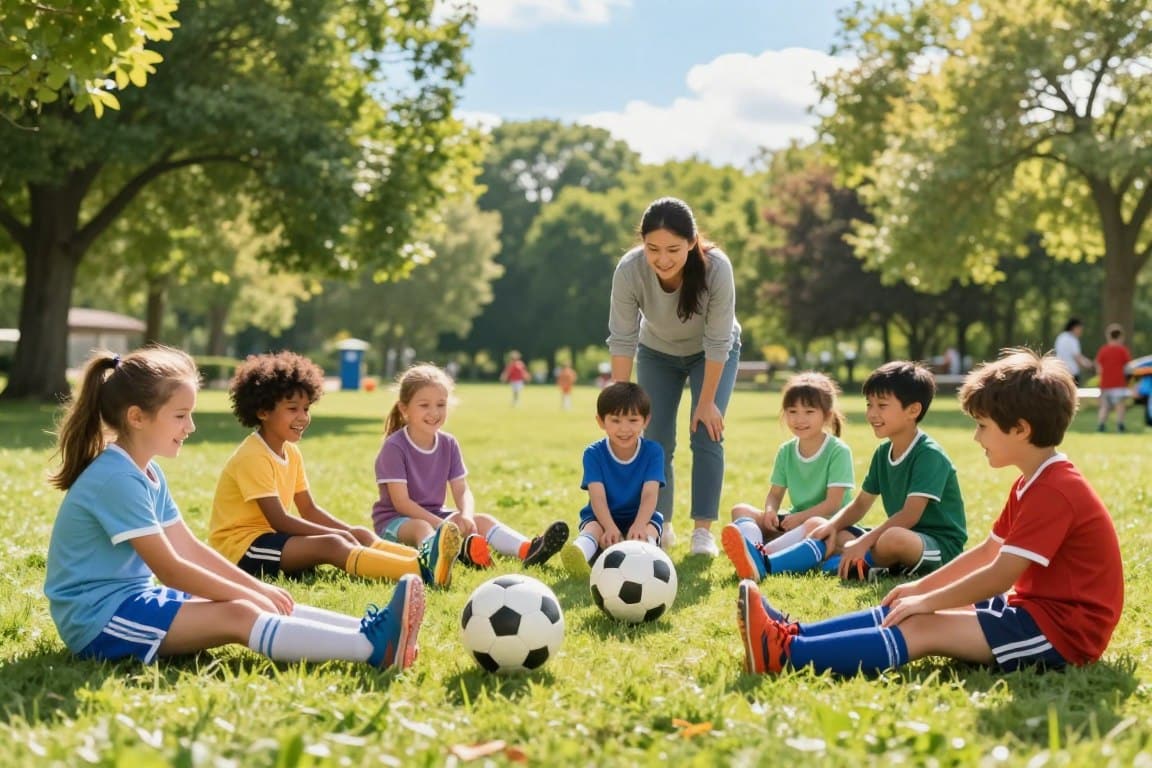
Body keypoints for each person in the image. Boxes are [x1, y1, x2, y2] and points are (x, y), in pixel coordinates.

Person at [737, 348, 1123, 677]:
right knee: (902, 605)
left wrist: (927, 601)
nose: (975, 436)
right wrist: (919, 588)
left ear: (1020, 429)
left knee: (923, 625)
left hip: (1063, 632)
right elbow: (988, 552)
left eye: (982, 426)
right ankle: (792, 633)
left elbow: (999, 574)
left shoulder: (1055, 490)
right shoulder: (1033, 481)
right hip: (1034, 609)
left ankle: (786, 654)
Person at [45, 347, 424, 670]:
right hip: (98, 621)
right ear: (136, 417)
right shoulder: (116, 478)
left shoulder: (146, 471)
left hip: (132, 601)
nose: (191, 426)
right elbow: (171, 568)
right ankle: (373, 649)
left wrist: (255, 586)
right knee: (239, 613)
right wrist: (246, 595)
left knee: (257, 600)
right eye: (180, 415)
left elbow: (189, 548)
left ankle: (367, 630)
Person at [208, 352, 460, 589]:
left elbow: (309, 510)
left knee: (357, 533)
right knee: (333, 543)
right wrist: (339, 534)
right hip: (242, 549)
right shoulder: (253, 455)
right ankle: (419, 571)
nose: (303, 417)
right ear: (263, 411)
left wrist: (350, 532)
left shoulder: (291, 452)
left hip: (272, 540)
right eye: (292, 408)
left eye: (306, 409)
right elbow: (280, 520)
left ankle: (429, 557)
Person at [726, 361, 967, 581]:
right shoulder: (884, 453)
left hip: (937, 544)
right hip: (899, 534)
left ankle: (768, 565)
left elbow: (909, 516)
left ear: (913, 410)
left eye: (882, 405)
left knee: (892, 538)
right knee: (836, 535)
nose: (872, 413)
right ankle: (834, 561)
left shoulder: (929, 454)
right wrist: (832, 526)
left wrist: (864, 541)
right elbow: (860, 505)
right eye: (869, 404)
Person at [607, 196, 741, 556]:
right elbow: (622, 337)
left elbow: (718, 341)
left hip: (712, 354)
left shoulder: (716, 269)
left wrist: (708, 401)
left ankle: (702, 532)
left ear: (692, 242)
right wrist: (620, 404)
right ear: (642, 244)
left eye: (673, 249)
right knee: (655, 440)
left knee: (706, 432)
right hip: (657, 352)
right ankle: (659, 526)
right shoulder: (630, 270)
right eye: (652, 249)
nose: (662, 259)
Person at [373, 363, 569, 569]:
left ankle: (528, 549)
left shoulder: (449, 444)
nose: (434, 412)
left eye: (441, 404)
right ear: (404, 408)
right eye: (424, 405)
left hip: (437, 516)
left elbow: (461, 488)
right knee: (422, 527)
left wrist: (465, 515)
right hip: (397, 522)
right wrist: (441, 525)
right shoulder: (395, 447)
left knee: (481, 520)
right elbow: (401, 503)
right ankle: (433, 562)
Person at [720, 372, 855, 580]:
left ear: (827, 415)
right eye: (792, 411)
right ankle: (755, 550)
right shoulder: (786, 451)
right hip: (794, 522)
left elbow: (833, 505)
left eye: (809, 411)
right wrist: (770, 511)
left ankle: (762, 558)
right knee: (740, 510)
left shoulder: (838, 451)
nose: (799, 419)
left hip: (827, 524)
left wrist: (800, 519)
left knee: (816, 524)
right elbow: (775, 494)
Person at [561, 382, 666, 575]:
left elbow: (650, 494)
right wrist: (609, 527)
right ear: (601, 421)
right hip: (603, 517)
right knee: (593, 528)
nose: (624, 429)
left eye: (633, 420)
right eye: (616, 420)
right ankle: (580, 553)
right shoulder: (593, 453)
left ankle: (648, 555)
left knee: (648, 531)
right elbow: (597, 497)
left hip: (640, 516)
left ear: (646, 420)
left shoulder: (653, 452)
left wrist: (639, 524)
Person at [1095, 323, 1132, 432]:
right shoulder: (1122, 350)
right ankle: (1120, 425)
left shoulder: (1103, 350)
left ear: (1108, 336)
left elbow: (1098, 366)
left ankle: (1101, 424)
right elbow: (1128, 367)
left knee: (1105, 406)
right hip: (1118, 383)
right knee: (1120, 405)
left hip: (1105, 384)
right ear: (1120, 337)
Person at [1054, 318, 1092, 385]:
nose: (1081, 332)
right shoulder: (1072, 339)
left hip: (1060, 372)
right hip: (1072, 373)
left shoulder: (1060, 337)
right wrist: (1089, 364)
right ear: (1074, 327)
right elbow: (1077, 357)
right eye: (1080, 329)